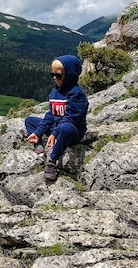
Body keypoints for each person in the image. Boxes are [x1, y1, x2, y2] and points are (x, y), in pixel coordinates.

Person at [25, 54, 89, 182]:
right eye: (52, 75)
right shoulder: (55, 92)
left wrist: (54, 134)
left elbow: (70, 119)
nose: (54, 78)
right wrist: (38, 133)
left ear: (70, 74)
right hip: (56, 127)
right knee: (30, 121)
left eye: (58, 75)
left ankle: (52, 160)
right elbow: (51, 115)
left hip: (71, 130)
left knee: (65, 128)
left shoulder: (77, 94)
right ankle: (38, 144)